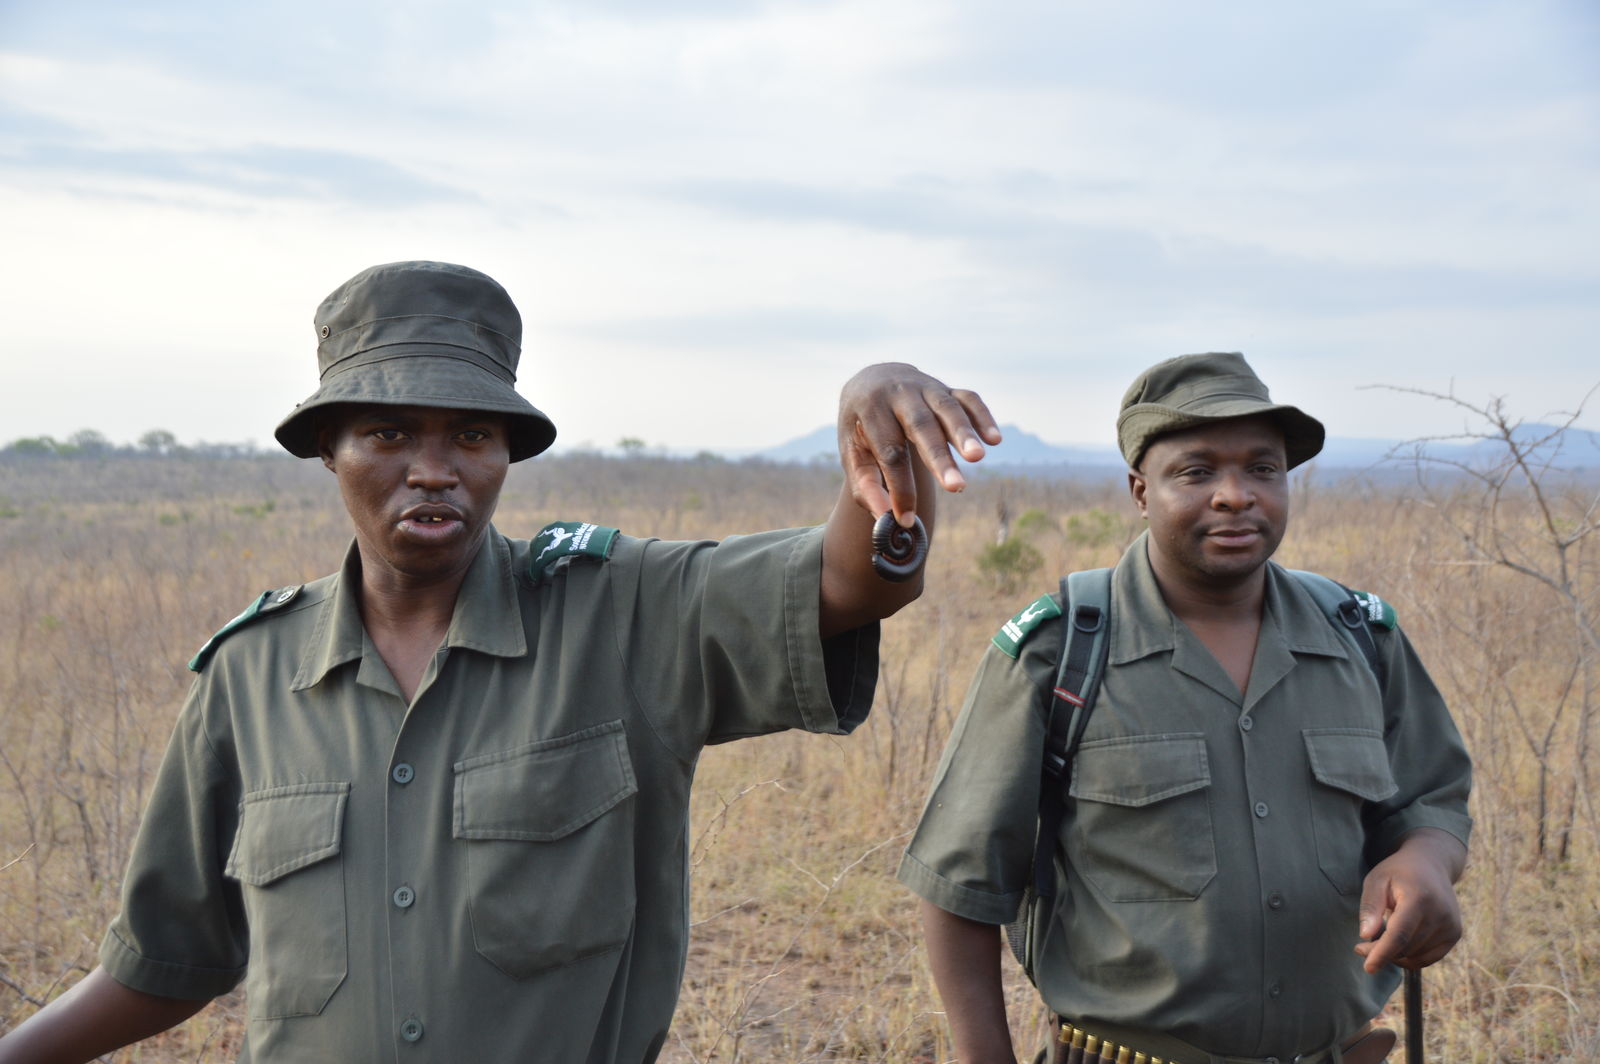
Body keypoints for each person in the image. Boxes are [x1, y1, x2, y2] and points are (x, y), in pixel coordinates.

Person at [0, 260, 999, 1064]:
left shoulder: (620, 612)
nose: (433, 467)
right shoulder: (249, 678)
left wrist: (880, 434)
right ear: (328, 451)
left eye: (470, 435)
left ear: (503, 456)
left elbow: (853, 583)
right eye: (388, 432)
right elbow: (169, 958)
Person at [897, 353, 1471, 1064]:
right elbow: (961, 885)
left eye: (1262, 469)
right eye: (1196, 472)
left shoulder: (1359, 637)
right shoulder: (1059, 652)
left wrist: (1426, 860)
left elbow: (1432, 797)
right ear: (1141, 490)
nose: (1236, 495)